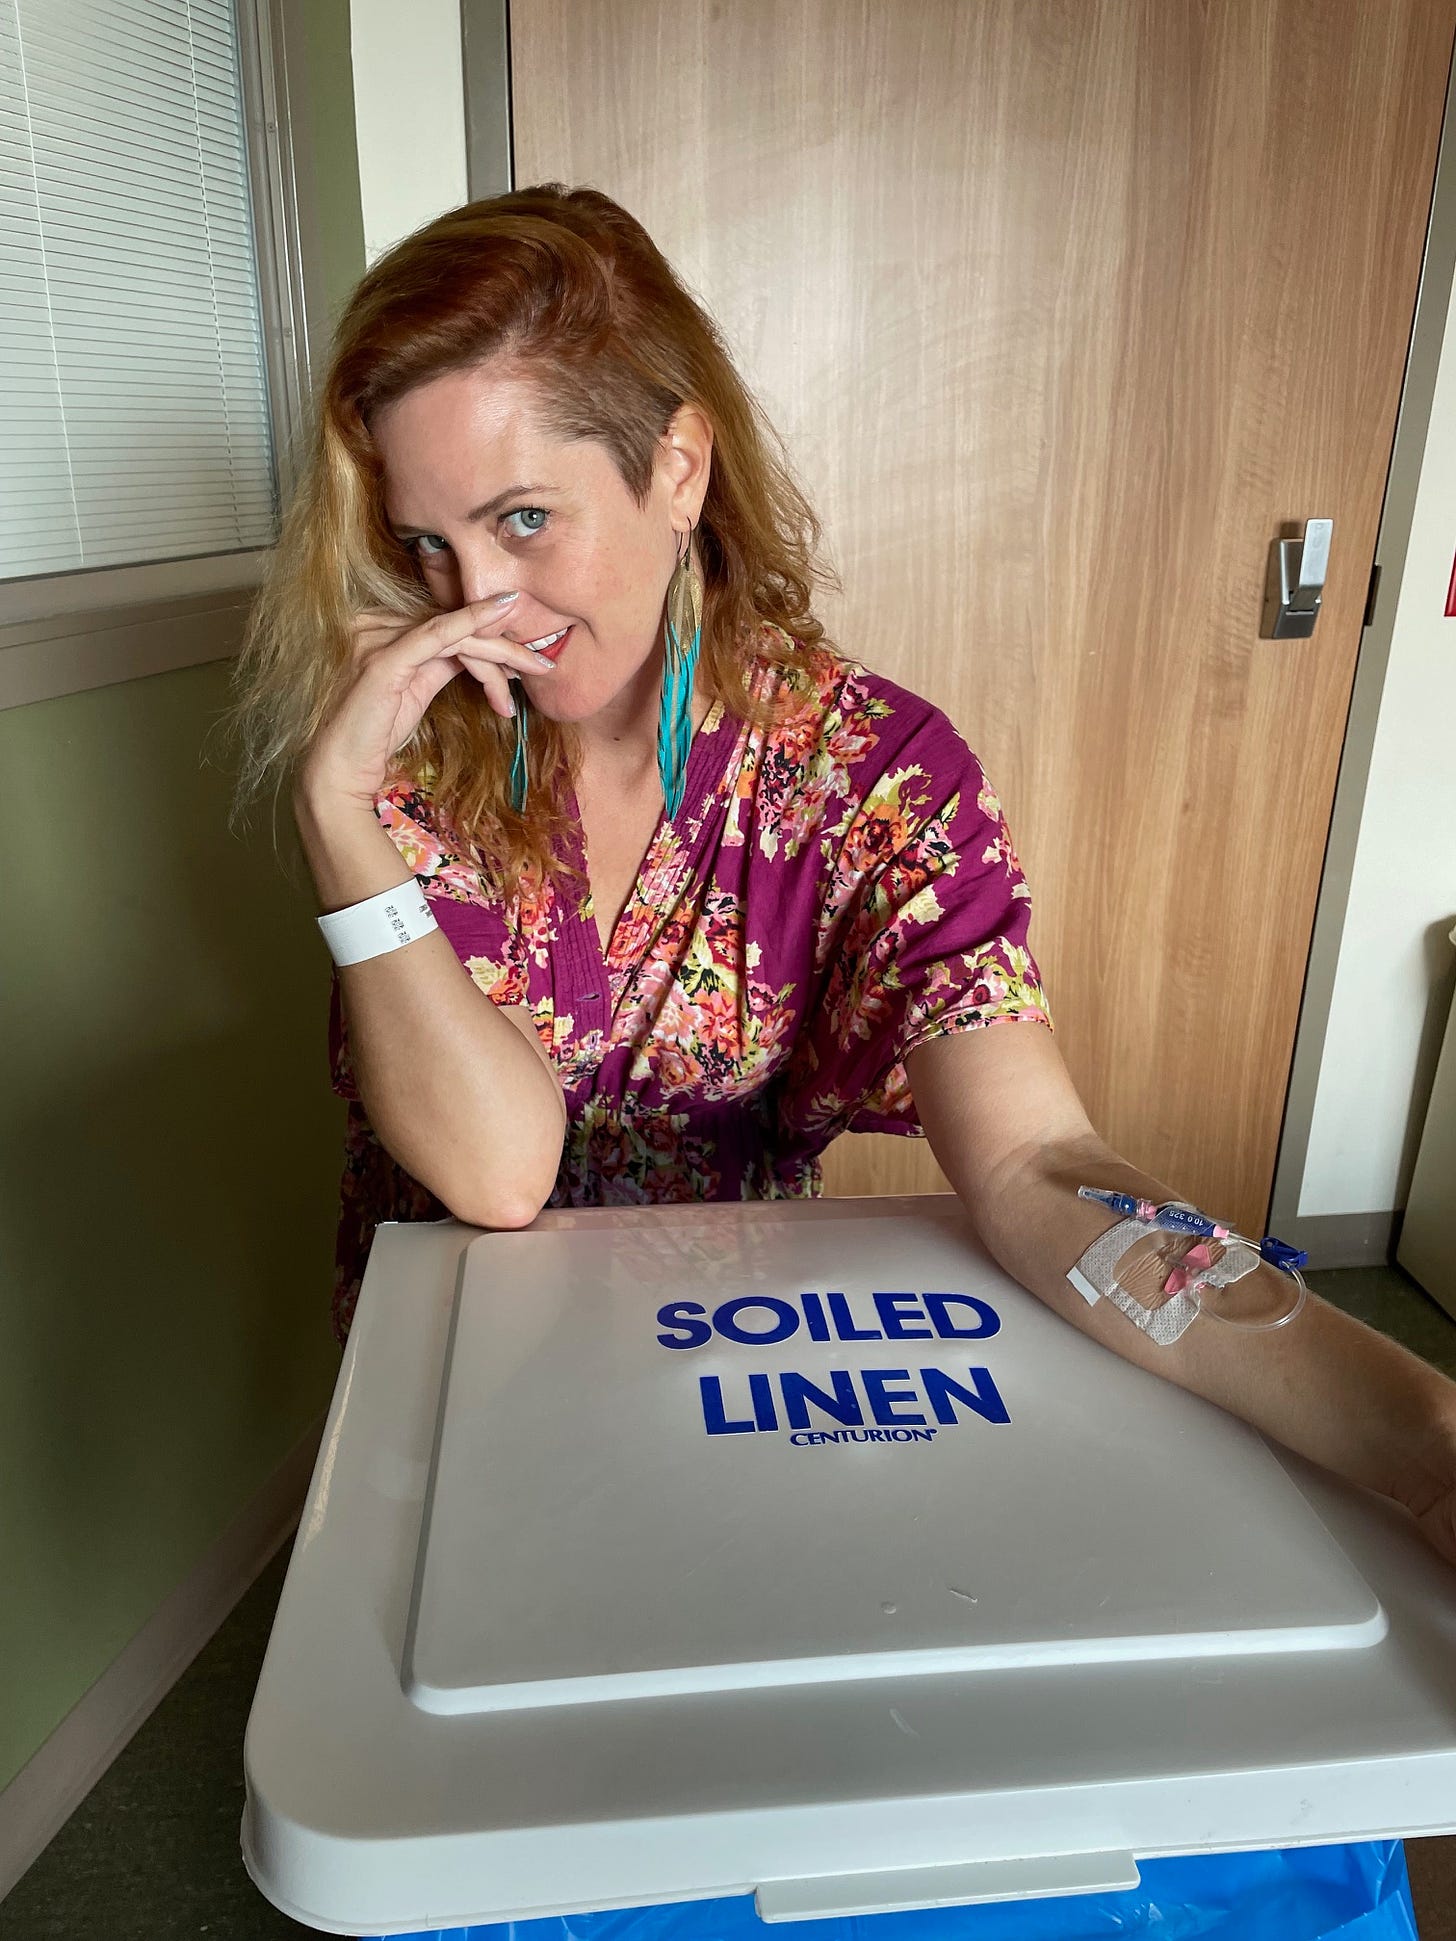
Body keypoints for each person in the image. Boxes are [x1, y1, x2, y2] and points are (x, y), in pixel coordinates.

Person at [227, 183, 1456, 1568]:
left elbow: (1043, 1162)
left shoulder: (873, 779)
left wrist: (1419, 1443)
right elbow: (502, 1174)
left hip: (731, 1372)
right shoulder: (410, 758)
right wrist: (337, 813)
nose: (474, 604)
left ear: (678, 468)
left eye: (523, 520)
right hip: (454, 1379)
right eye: (427, 543)